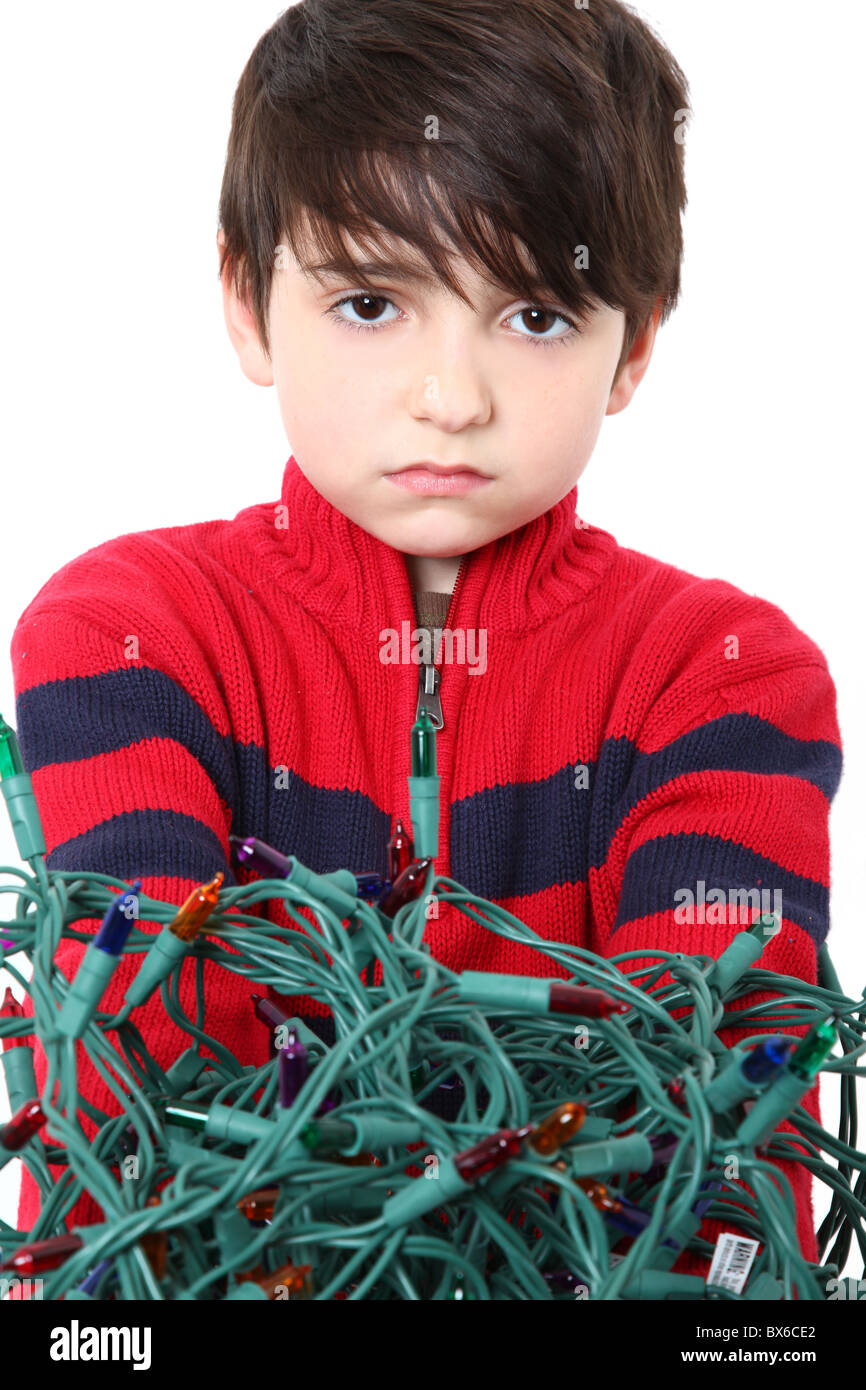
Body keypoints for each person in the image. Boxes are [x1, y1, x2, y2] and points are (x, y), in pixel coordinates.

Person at [9, 0, 841, 1282]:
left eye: (535, 316)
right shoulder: (128, 634)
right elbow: (135, 1103)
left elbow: (710, 1151)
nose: (451, 395)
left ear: (636, 347)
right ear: (244, 299)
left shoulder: (723, 676)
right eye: (368, 301)